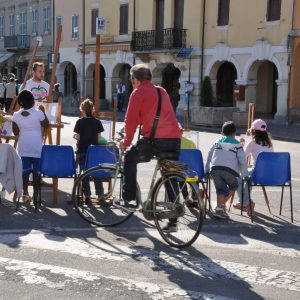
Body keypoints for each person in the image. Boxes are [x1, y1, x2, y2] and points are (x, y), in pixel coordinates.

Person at [120, 63, 181, 231]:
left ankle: (130, 199)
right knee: (170, 174)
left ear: (135, 79)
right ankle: (173, 220)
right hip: (174, 138)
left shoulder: (137, 93)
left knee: (130, 158)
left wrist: (126, 142)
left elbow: (131, 121)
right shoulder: (161, 91)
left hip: (155, 141)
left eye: (131, 79)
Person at [205, 121, 248, 219]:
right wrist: (245, 174)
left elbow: (209, 154)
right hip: (230, 171)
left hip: (215, 168)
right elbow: (242, 160)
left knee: (220, 189)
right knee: (234, 185)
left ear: (222, 133)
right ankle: (220, 206)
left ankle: (220, 208)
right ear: (234, 133)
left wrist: (206, 169)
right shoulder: (237, 144)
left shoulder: (217, 141)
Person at [12, 90, 49, 202]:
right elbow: (46, 124)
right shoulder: (38, 112)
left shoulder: (16, 115)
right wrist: (43, 111)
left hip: (23, 145)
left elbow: (15, 131)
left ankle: (25, 193)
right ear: (32, 101)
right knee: (36, 171)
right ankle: (36, 194)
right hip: (36, 145)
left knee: (25, 170)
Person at [233, 119, 273, 214]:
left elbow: (242, 156)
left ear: (253, 131)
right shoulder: (270, 144)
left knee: (237, 177)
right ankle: (242, 202)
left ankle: (246, 202)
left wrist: (242, 145)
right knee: (247, 177)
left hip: (257, 174)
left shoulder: (252, 143)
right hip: (270, 174)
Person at [73, 99, 105, 205]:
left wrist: (75, 137)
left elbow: (78, 137)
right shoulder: (97, 122)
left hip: (82, 151)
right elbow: (99, 138)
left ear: (82, 109)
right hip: (94, 152)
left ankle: (87, 196)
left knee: (84, 173)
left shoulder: (79, 122)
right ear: (92, 109)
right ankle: (100, 194)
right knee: (96, 173)